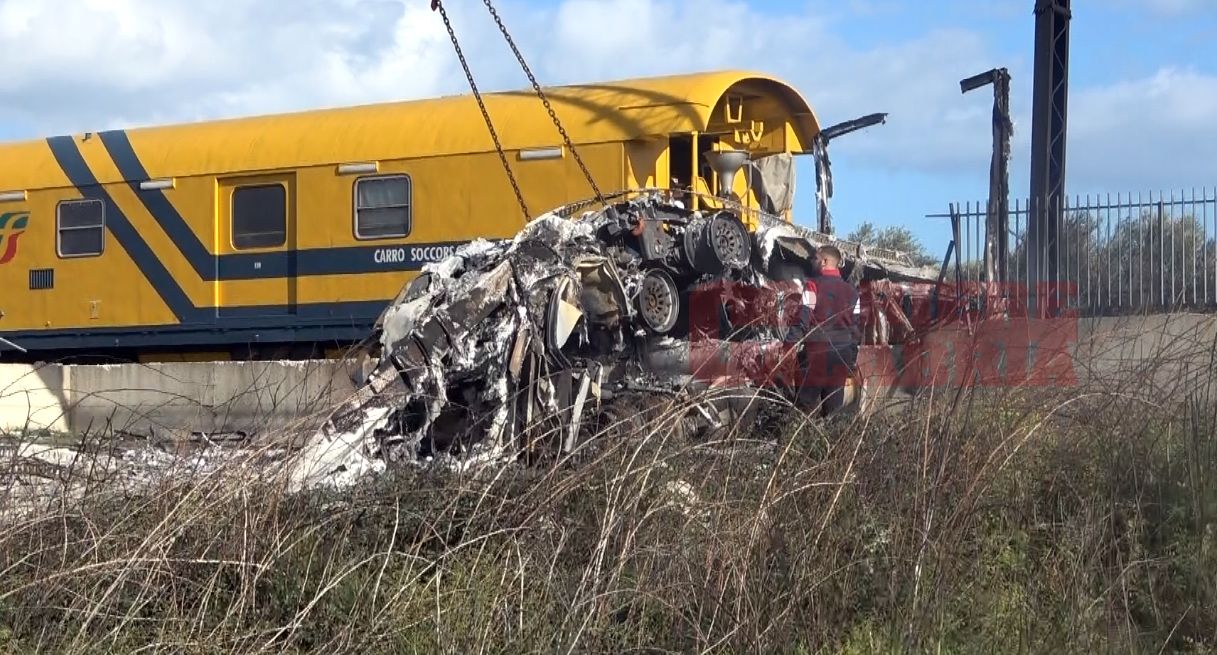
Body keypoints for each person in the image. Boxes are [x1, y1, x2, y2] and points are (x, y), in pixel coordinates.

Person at [797, 245, 860, 417]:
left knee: (803, 408)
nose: (813, 262)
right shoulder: (853, 293)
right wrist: (851, 359)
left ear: (824, 261)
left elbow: (802, 320)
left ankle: (795, 440)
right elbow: (855, 330)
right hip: (842, 354)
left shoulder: (812, 286)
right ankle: (834, 442)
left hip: (818, 352)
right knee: (833, 410)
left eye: (816, 259)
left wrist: (788, 347)